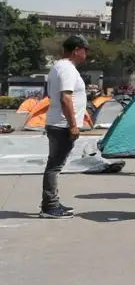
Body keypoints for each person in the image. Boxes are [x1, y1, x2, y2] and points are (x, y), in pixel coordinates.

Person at [39, 35, 89, 219]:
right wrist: (73, 125)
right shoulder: (67, 69)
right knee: (54, 166)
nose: (86, 53)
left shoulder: (58, 67)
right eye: (85, 49)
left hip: (58, 122)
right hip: (62, 125)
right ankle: (50, 205)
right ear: (77, 49)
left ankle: (52, 202)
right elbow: (65, 97)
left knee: (54, 164)